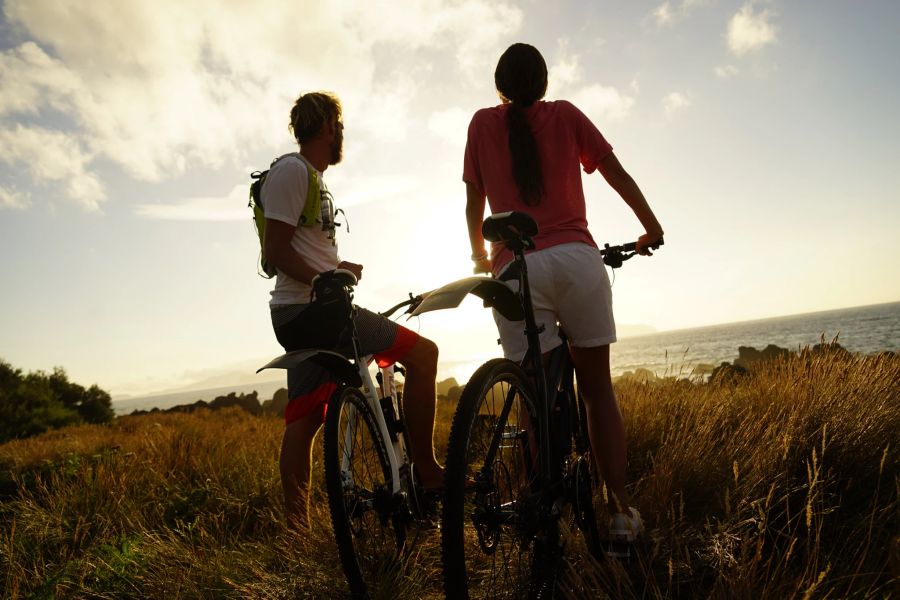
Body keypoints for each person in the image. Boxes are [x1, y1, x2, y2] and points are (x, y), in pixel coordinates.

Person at [462, 44, 664, 545]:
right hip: (576, 262)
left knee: (534, 397)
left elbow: (473, 202)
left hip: (514, 272)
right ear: (545, 82)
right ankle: (618, 514)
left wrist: (478, 259)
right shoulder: (567, 115)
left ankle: (540, 505)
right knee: (597, 393)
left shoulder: (480, 124)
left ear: (500, 84)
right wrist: (650, 226)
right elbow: (614, 171)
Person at [264, 91, 444, 528]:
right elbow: (275, 251)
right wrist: (324, 280)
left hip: (296, 315)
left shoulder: (307, 176)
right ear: (327, 125)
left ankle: (296, 533)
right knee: (425, 355)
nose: (341, 132)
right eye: (338, 124)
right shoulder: (293, 171)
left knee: (305, 421)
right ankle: (428, 472)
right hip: (318, 313)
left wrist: (333, 266)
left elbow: (296, 249)